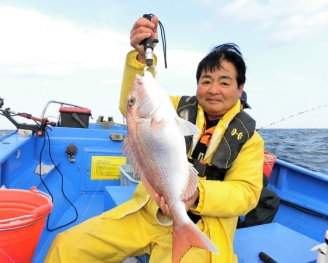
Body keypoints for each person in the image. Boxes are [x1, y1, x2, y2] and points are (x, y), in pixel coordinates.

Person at [44, 15, 264, 263]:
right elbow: (132, 105)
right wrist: (140, 59)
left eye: (224, 82)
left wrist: (198, 195)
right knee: (67, 247)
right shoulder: (170, 108)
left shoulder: (251, 140)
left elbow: (246, 193)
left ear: (239, 88)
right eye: (206, 81)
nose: (213, 89)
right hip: (148, 212)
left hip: (204, 224)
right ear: (197, 85)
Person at [237, 91, 280, 228]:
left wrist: (259, 155)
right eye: (242, 105)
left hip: (235, 169)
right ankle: (244, 229)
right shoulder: (237, 124)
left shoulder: (237, 123)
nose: (242, 109)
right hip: (226, 176)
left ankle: (239, 212)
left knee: (263, 179)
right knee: (270, 199)